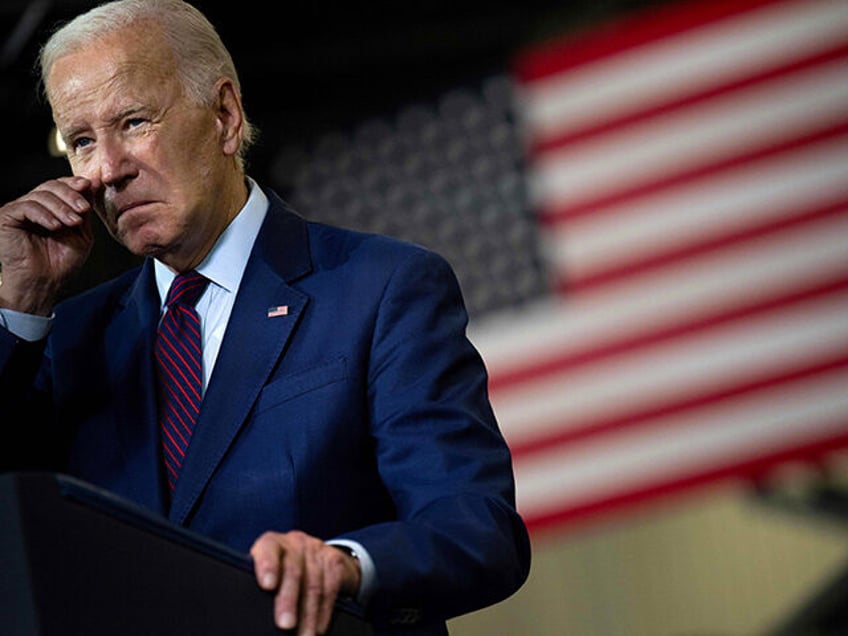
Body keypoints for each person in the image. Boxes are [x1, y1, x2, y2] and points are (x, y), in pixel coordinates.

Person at [0, 0, 531, 634]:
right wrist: (18, 312)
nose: (108, 171)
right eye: (82, 141)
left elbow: (476, 527)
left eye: (135, 122)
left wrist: (344, 565)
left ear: (225, 116)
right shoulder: (68, 339)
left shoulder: (380, 287)